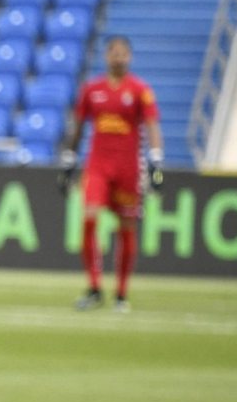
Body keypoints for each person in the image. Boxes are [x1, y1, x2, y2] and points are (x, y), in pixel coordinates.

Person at [58, 36, 163, 313]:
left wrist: (156, 159)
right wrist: (69, 159)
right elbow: (78, 126)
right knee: (89, 218)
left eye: (122, 53)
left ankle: (121, 293)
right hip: (98, 166)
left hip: (128, 169)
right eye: (114, 53)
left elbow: (152, 125)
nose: (118, 57)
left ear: (130, 57)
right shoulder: (92, 89)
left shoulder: (140, 90)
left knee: (126, 227)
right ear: (106, 56)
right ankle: (94, 287)